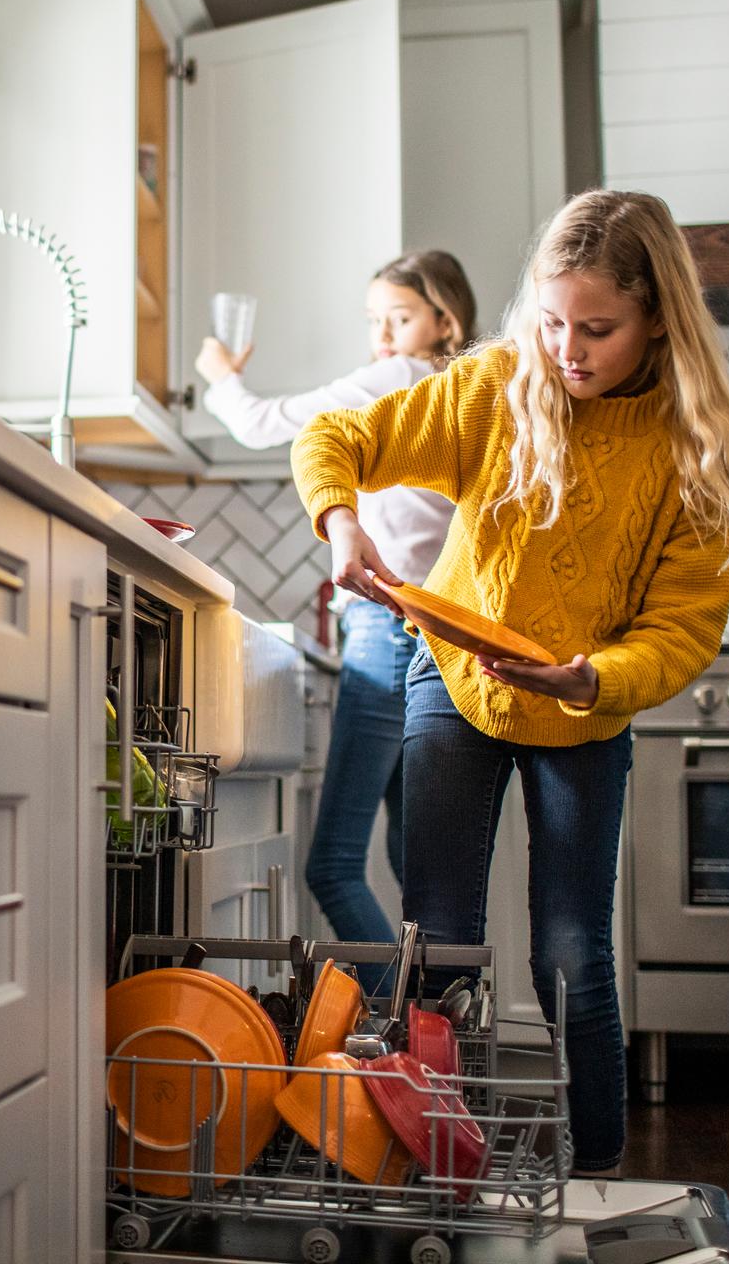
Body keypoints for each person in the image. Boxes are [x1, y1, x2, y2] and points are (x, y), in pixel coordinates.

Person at [291, 189, 729, 1174]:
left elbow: (682, 627)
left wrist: (590, 679)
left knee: (571, 959)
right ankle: (437, 1176)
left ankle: (593, 1180)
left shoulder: (688, 447)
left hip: (584, 708)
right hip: (455, 682)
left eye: (596, 329)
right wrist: (342, 520)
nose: (566, 350)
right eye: (551, 322)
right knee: (440, 950)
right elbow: (335, 442)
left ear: (656, 323)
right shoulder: (497, 383)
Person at [195, 251, 477, 959]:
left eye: (401, 317)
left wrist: (222, 376)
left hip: (389, 630)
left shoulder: (400, 379)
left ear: (447, 318)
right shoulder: (459, 392)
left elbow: (264, 425)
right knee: (420, 873)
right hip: (438, 636)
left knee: (333, 866)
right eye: (374, 320)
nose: (383, 336)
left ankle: (400, 1034)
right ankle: (435, 1041)